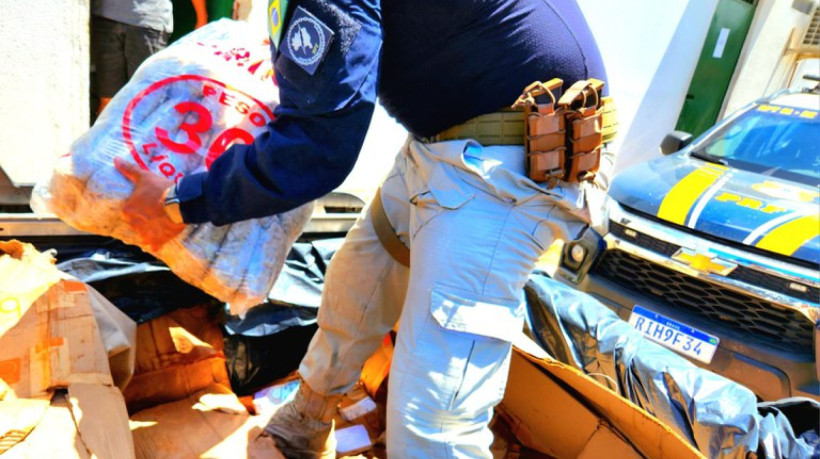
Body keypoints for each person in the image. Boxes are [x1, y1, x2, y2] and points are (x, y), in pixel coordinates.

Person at [114, 0, 614, 456]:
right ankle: (305, 422)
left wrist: (182, 202)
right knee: (359, 281)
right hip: (451, 142)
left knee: (432, 419)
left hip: (509, 163)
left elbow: (318, 149)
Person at [91, 0, 208, 115]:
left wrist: (202, 18)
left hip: (149, 21)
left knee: (146, 102)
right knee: (108, 102)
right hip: (106, 18)